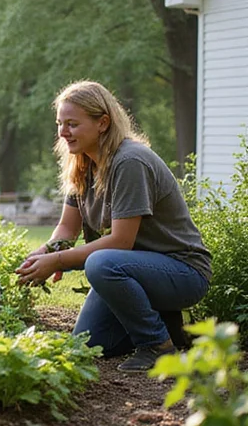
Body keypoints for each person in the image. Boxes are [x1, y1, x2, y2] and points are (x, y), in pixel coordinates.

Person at [16, 80, 211, 371]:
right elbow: (67, 229)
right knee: (87, 344)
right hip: (137, 270)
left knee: (101, 264)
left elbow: (121, 242)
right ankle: (168, 323)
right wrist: (43, 254)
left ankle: (157, 345)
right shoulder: (82, 163)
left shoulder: (129, 162)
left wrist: (58, 260)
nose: (63, 132)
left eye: (72, 124)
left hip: (182, 271)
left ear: (103, 123)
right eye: (60, 123)